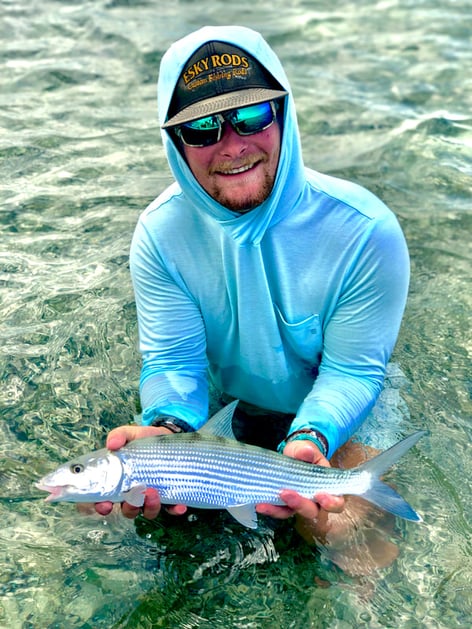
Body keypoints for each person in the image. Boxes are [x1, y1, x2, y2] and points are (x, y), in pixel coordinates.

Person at [95, 25, 409, 571]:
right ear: (175, 143)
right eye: (201, 128)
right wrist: (169, 429)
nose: (233, 145)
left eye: (251, 117)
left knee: (343, 534)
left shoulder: (365, 230)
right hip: (223, 416)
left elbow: (355, 371)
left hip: (340, 413)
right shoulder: (159, 234)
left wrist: (314, 434)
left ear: (283, 113)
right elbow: (173, 362)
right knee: (123, 518)